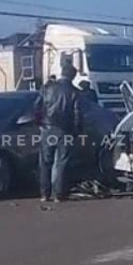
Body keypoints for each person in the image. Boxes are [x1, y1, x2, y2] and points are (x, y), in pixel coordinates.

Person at [39, 64, 82, 202]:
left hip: (47, 129)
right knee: (62, 162)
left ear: (61, 73)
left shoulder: (48, 88)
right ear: (73, 76)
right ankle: (59, 194)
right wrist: (77, 131)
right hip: (65, 130)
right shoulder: (74, 92)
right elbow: (77, 114)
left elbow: (38, 106)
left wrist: (40, 124)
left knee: (45, 162)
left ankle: (44, 194)